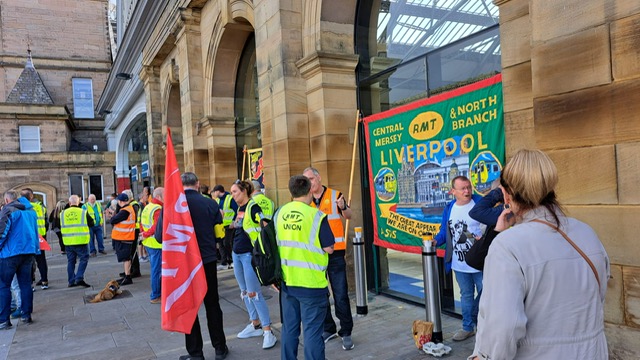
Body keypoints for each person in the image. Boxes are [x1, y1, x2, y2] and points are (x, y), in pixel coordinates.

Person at [469, 149, 610, 359]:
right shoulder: (586, 232)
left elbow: (501, 330)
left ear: (507, 194)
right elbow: (597, 296)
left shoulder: (507, 245)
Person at [156, 172, 228, 360]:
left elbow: (159, 237)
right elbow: (219, 233)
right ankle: (220, 348)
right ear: (197, 184)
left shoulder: (171, 205)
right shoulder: (210, 203)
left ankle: (196, 353)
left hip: (184, 263)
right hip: (207, 260)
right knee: (212, 304)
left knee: (189, 307)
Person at [278, 175, 335, 360]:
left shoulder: (279, 213)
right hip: (312, 284)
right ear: (310, 190)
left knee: (289, 330)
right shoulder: (316, 216)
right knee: (312, 333)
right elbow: (329, 248)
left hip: (288, 282)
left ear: (291, 191)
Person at [302, 167, 355, 350]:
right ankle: (329, 328)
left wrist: (343, 207)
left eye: (311, 178)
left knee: (340, 295)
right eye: (305, 180)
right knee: (320, 295)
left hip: (336, 254)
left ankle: (346, 331)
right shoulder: (304, 200)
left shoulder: (335, 195)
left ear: (319, 178)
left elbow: (349, 216)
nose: (309, 183)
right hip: (315, 256)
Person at [434, 175, 484, 341]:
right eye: (462, 188)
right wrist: (435, 241)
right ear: (452, 191)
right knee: (466, 295)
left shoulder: (480, 203)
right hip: (459, 263)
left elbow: (492, 227)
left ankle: (485, 327)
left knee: (487, 293)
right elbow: (444, 232)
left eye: (468, 187)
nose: (467, 191)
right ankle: (467, 327)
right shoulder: (449, 208)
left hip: (481, 262)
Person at [228, 180, 277, 350]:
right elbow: (240, 226)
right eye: (231, 192)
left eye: (235, 192)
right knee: (244, 292)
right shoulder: (240, 208)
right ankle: (255, 323)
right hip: (237, 254)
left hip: (249, 255)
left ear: (244, 191)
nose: (233, 195)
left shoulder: (252, 206)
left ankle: (267, 331)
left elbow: (263, 222)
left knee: (254, 293)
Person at [0, 190, 39, 328]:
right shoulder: (31, 211)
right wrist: (36, 250)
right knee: (25, 285)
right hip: (28, 252)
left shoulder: (8, 210)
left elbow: (2, 232)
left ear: (6, 200)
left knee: (4, 285)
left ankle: (4, 320)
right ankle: (26, 315)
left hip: (10, 254)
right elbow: (35, 232)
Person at [60, 195, 93, 288]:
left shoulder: (62, 213)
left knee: (71, 261)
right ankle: (79, 277)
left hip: (68, 241)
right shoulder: (83, 212)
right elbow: (92, 223)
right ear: (78, 203)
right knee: (84, 259)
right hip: (81, 241)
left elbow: (59, 225)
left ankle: (71, 281)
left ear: (69, 203)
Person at [21, 188, 49, 290]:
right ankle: (44, 281)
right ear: (31, 196)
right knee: (41, 260)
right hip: (40, 237)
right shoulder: (40, 207)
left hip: (27, 237)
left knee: (28, 261)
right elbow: (46, 222)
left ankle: (30, 284)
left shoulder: (21, 208)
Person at [140, 187, 163, 304]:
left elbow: (141, 223)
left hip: (148, 242)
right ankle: (155, 295)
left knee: (155, 269)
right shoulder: (158, 208)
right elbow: (157, 226)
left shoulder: (147, 206)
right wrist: (146, 233)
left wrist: (143, 234)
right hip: (156, 243)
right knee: (157, 271)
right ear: (158, 196)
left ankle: (157, 294)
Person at [110, 193, 136, 285]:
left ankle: (127, 277)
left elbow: (113, 220)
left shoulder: (125, 211)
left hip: (124, 237)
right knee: (126, 258)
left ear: (120, 201)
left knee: (126, 258)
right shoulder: (128, 209)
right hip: (126, 237)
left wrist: (113, 215)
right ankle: (126, 276)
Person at [212, 185, 237, 270]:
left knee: (228, 243)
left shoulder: (230, 198)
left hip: (229, 225)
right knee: (221, 244)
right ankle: (224, 262)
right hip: (221, 225)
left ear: (218, 191)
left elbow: (236, 210)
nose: (214, 194)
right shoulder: (218, 200)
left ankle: (232, 260)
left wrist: (234, 221)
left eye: (214, 192)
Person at [123, 189, 142, 277]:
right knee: (130, 251)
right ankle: (129, 269)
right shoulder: (131, 204)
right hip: (132, 229)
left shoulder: (134, 205)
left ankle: (135, 270)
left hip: (134, 229)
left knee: (133, 250)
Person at [137, 187, 150, 262]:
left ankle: (144, 255)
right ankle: (140, 256)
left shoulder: (145, 204)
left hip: (143, 225)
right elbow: (139, 216)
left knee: (143, 241)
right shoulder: (140, 205)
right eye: (146, 196)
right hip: (139, 226)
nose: (147, 197)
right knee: (140, 242)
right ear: (142, 197)